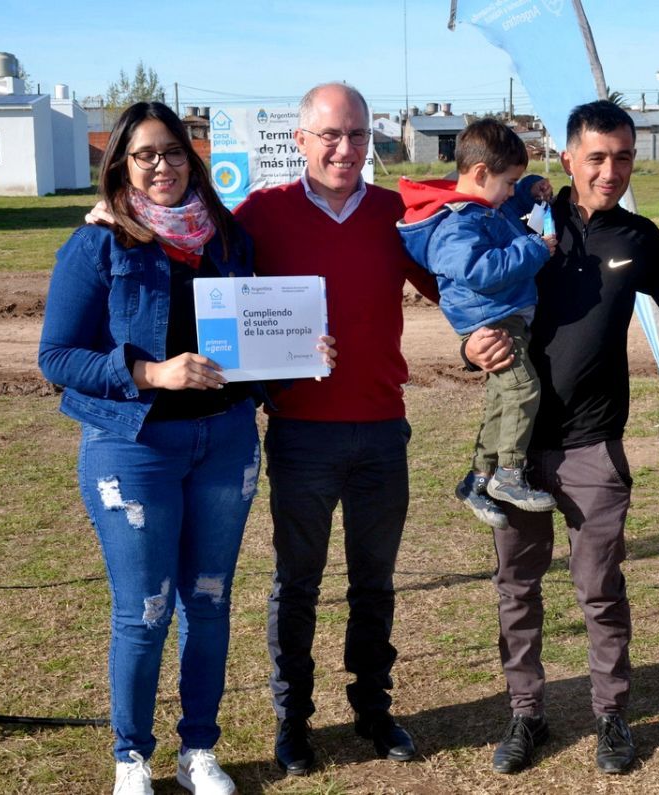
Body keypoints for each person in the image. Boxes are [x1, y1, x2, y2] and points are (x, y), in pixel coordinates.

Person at [42, 102, 330, 795]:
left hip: (224, 440)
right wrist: (149, 372)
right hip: (133, 446)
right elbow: (57, 356)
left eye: (172, 151)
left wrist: (301, 353)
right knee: (145, 609)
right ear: (122, 164)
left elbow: (249, 344)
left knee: (209, 600)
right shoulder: (99, 243)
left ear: (191, 158)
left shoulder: (226, 238)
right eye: (144, 154)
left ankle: (198, 748)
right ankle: (131, 755)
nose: (161, 166)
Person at [231, 82, 441, 777]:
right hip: (302, 435)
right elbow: (206, 278)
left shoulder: (393, 213)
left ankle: (373, 710)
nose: (345, 148)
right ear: (301, 140)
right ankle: (293, 720)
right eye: (330, 135)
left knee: (374, 583)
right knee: (297, 584)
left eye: (356, 134)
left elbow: (453, 280)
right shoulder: (262, 213)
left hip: (381, 430)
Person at [464, 100, 659, 775]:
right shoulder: (520, 222)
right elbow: (464, 290)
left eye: (623, 158)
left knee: (600, 588)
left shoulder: (640, 238)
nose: (610, 171)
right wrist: (469, 346)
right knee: (516, 587)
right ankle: (526, 713)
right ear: (568, 159)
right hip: (516, 453)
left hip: (594, 446)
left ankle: (611, 714)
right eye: (596, 158)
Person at [396, 118, 558, 529]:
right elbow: (478, 269)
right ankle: (509, 474)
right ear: (482, 173)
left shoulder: (484, 207)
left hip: (502, 315)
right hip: (492, 320)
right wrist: (535, 249)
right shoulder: (456, 225)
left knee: (502, 400)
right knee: (522, 389)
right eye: (509, 182)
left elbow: (506, 215)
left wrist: (530, 188)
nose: (510, 193)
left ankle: (479, 479)